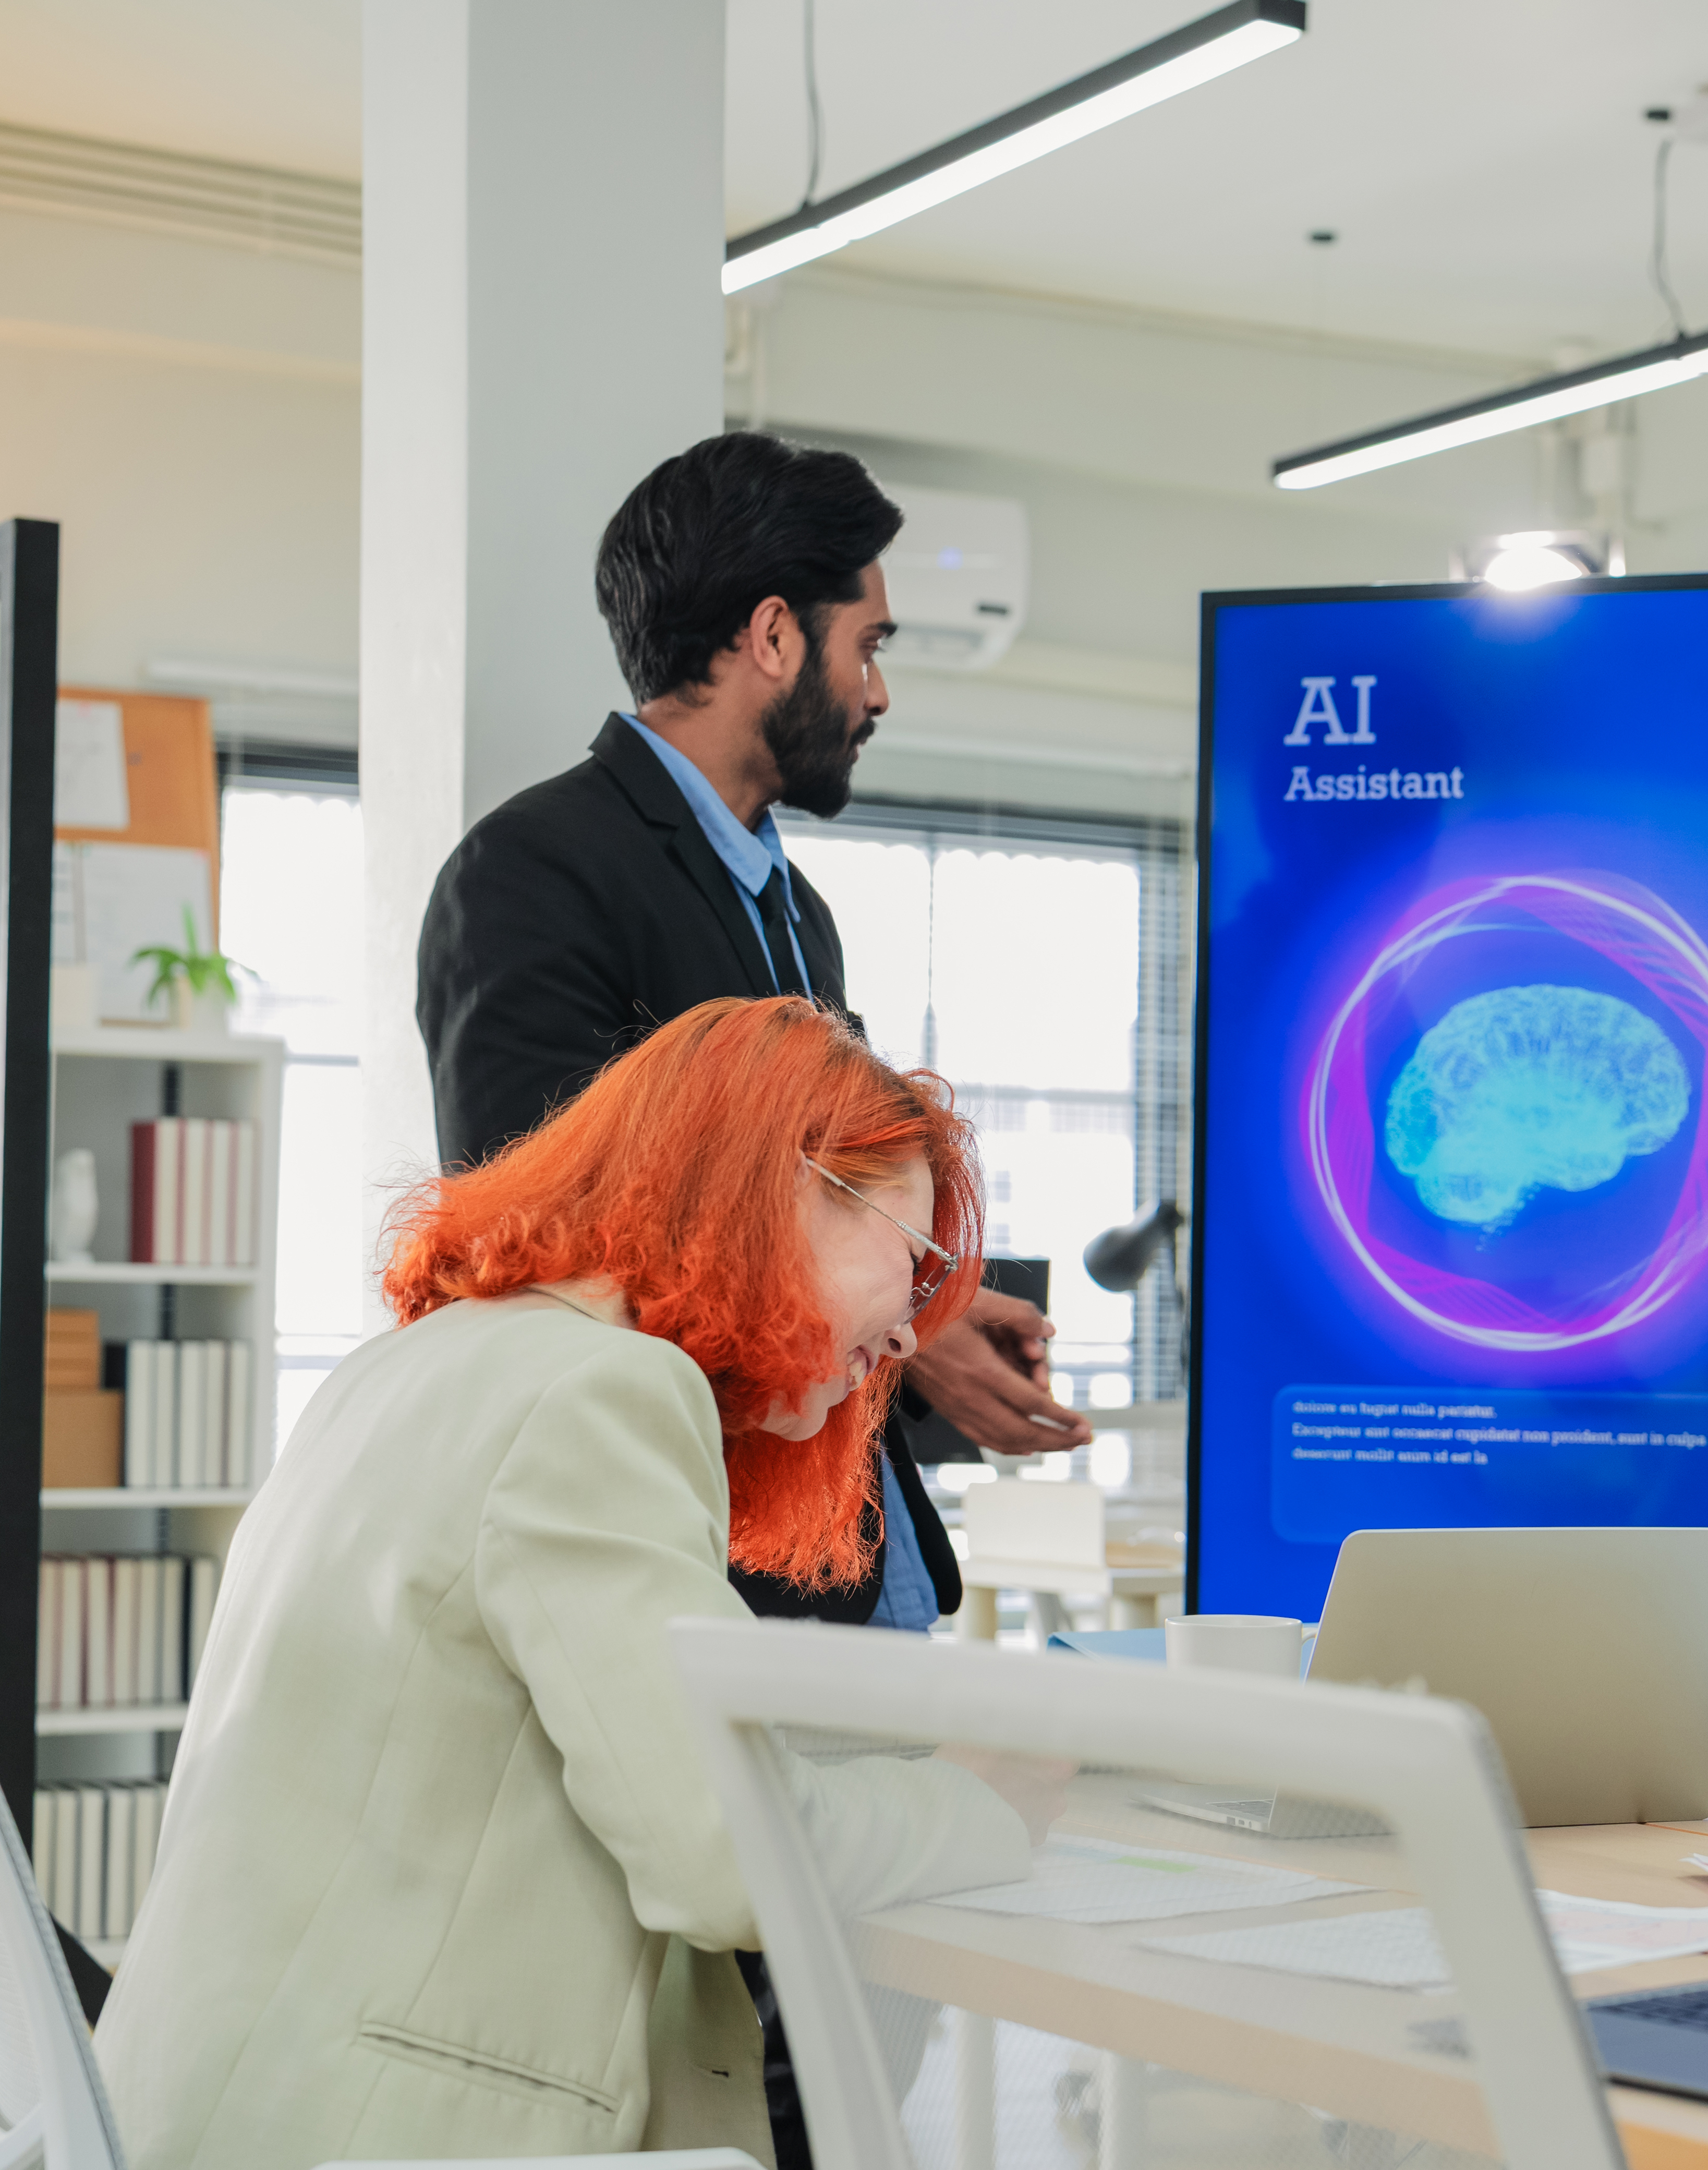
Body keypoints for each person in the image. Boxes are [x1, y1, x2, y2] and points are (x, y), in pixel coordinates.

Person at [413, 429, 1092, 2162]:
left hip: (854, 1603)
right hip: (707, 1593)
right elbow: (544, 1224)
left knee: (865, 2090)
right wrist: (905, 1319)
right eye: (870, 644)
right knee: (772, 2100)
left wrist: (924, 1339)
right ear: (770, 640)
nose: (881, 691)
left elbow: (807, 1225)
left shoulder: (805, 925)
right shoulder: (541, 873)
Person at [95, 998, 1051, 2167]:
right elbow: (723, 1853)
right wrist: (980, 1804)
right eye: (912, 1265)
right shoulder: (601, 1395)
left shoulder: (416, 1361)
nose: (907, 1338)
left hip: (214, 2107)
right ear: (782, 1187)